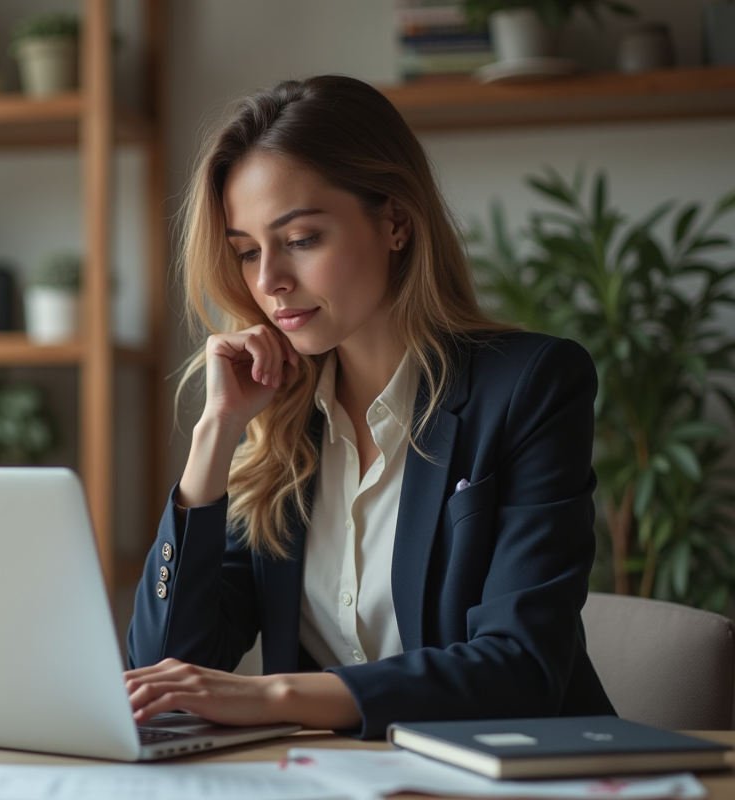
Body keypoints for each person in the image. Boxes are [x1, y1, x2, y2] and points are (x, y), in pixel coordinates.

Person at [124, 74, 615, 739]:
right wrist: (215, 437)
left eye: (300, 239)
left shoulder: (530, 386)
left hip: (520, 778)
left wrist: (273, 696)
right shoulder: (281, 424)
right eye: (246, 252)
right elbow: (166, 669)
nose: (268, 281)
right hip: (335, 782)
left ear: (396, 223)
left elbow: (520, 668)